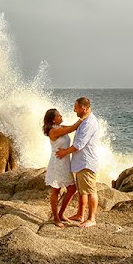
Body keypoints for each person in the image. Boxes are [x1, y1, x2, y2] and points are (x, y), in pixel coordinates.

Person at [56, 96, 100, 228]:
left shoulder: (89, 123)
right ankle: (80, 214)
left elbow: (78, 145)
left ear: (84, 108)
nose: (74, 111)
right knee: (83, 191)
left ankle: (91, 219)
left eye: (76, 108)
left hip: (87, 162)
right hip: (81, 162)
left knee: (91, 191)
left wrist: (64, 152)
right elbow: (75, 127)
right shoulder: (84, 120)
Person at [42, 108, 82, 227]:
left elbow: (72, 127)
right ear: (54, 119)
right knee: (56, 190)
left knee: (72, 189)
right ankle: (55, 218)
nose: (61, 116)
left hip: (65, 162)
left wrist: (83, 123)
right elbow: (72, 128)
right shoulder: (53, 131)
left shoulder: (60, 127)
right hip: (56, 163)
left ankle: (61, 213)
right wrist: (83, 118)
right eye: (59, 115)